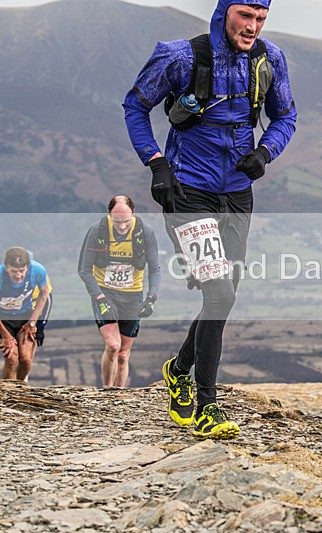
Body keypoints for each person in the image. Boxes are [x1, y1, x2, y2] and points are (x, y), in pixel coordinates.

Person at [122, 0, 296, 439]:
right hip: (187, 191)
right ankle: (207, 406)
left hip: (237, 194)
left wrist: (265, 151)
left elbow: (286, 115)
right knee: (218, 292)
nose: (253, 26)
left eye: (260, 19)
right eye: (245, 16)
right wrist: (157, 163)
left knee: (225, 295)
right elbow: (134, 106)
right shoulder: (180, 56)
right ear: (223, 13)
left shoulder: (268, 60)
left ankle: (178, 369)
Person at [78, 196, 161, 389]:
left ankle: (119, 394)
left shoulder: (145, 232)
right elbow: (84, 269)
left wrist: (151, 297)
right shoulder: (97, 231)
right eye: (117, 222)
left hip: (133, 295)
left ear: (133, 213)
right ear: (109, 215)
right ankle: (107, 390)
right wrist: (98, 296)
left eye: (126, 221)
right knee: (113, 345)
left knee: (123, 354)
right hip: (105, 293)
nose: (121, 227)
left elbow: (155, 269)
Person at [0, 247, 52, 382]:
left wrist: (33, 322)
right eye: (14, 271)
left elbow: (45, 294)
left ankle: (21, 388)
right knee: (11, 358)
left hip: (24, 315)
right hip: (3, 319)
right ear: (6, 268)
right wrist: (6, 336)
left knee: (26, 360)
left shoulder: (38, 270)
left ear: (27, 267)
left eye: (22, 271)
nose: (18, 276)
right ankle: (10, 393)